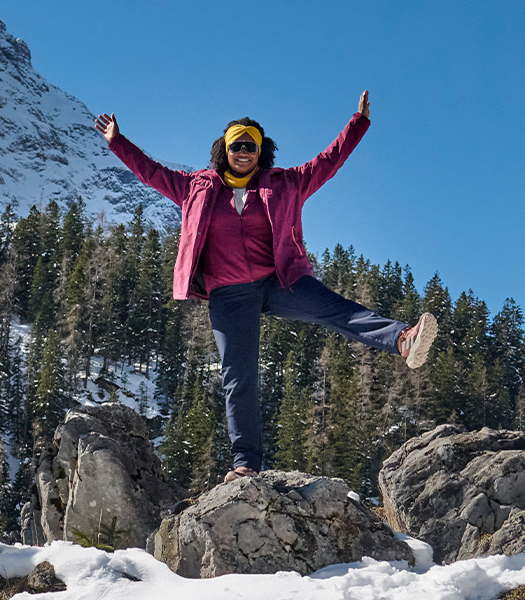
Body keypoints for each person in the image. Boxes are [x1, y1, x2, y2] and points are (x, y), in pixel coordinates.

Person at [94, 92, 438, 482]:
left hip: (279, 280)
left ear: (261, 151)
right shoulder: (195, 187)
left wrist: (357, 124)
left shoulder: (285, 183)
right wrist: (117, 141)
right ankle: (245, 464)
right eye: (236, 146)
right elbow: (150, 171)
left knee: (334, 308)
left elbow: (328, 162)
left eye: (250, 146)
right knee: (237, 376)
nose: (243, 152)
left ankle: (402, 340)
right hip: (228, 294)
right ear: (224, 150)